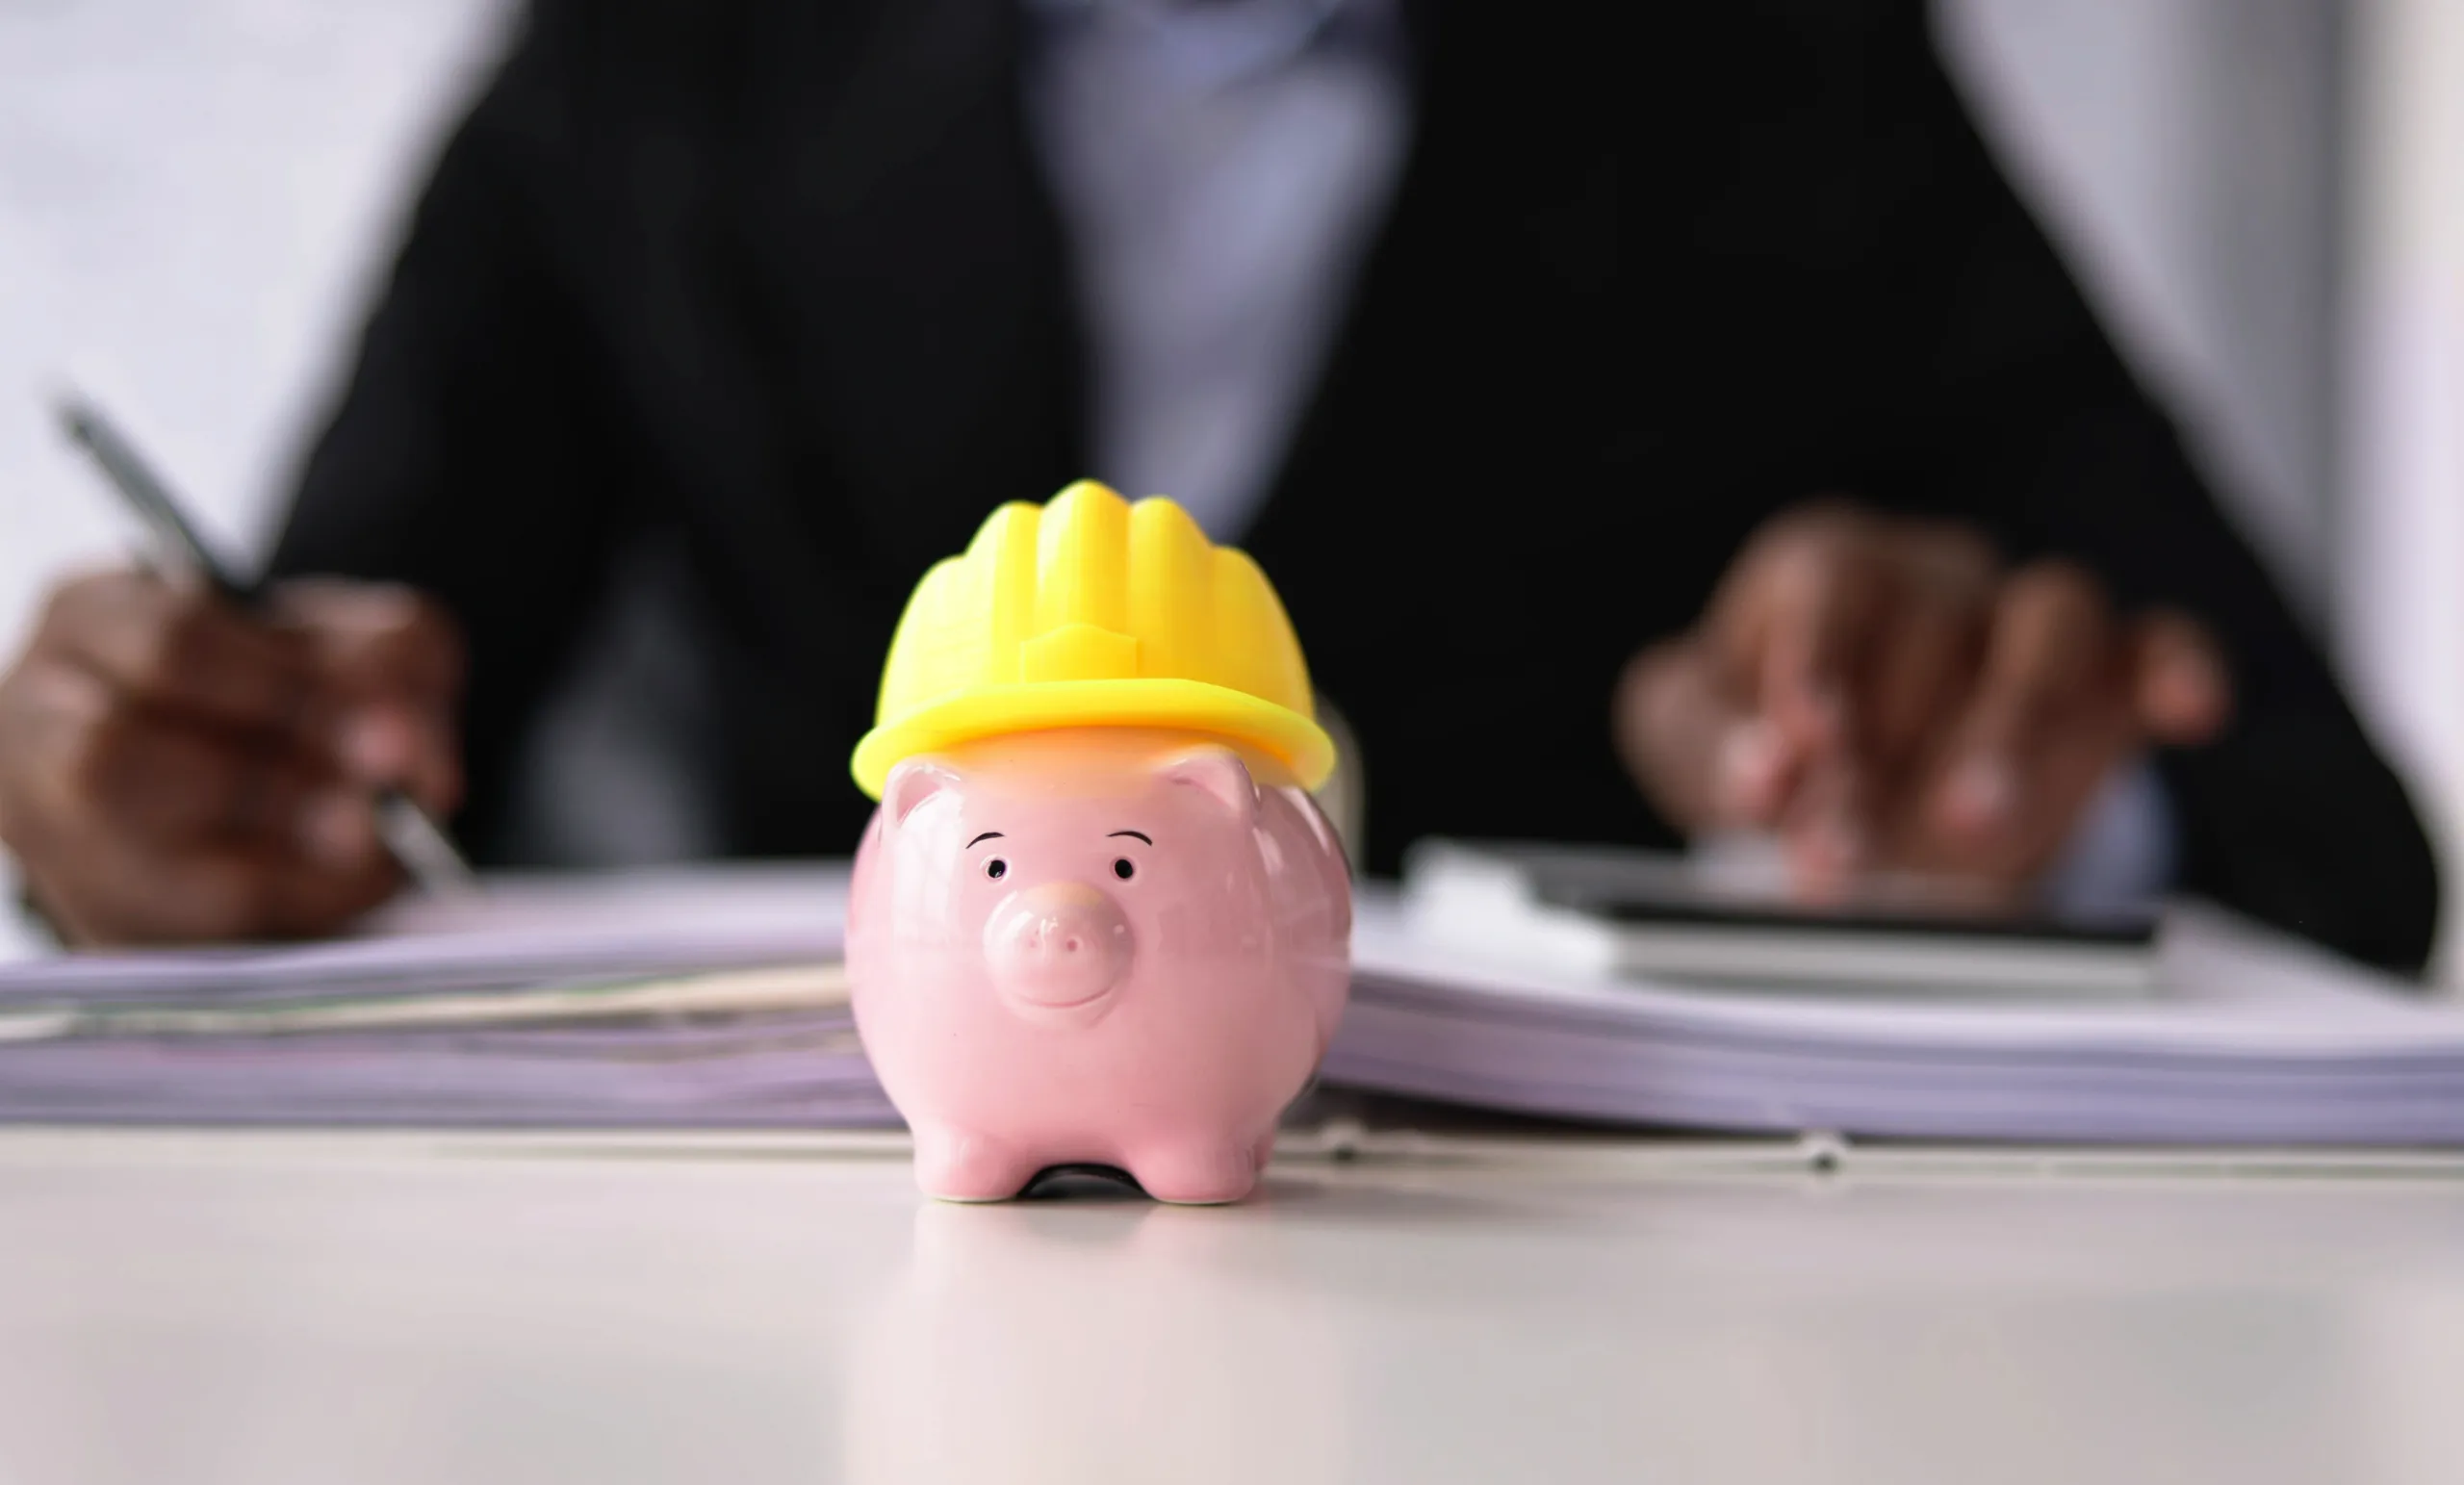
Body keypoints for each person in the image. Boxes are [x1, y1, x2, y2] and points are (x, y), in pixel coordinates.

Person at [0, 0, 2437, 973]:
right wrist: (166, 790)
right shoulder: (663, 57)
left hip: (1581, 1373)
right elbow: (327, 689)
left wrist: (1998, 805)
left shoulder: (1775, 64)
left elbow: (2324, 838)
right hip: (808, 1325)